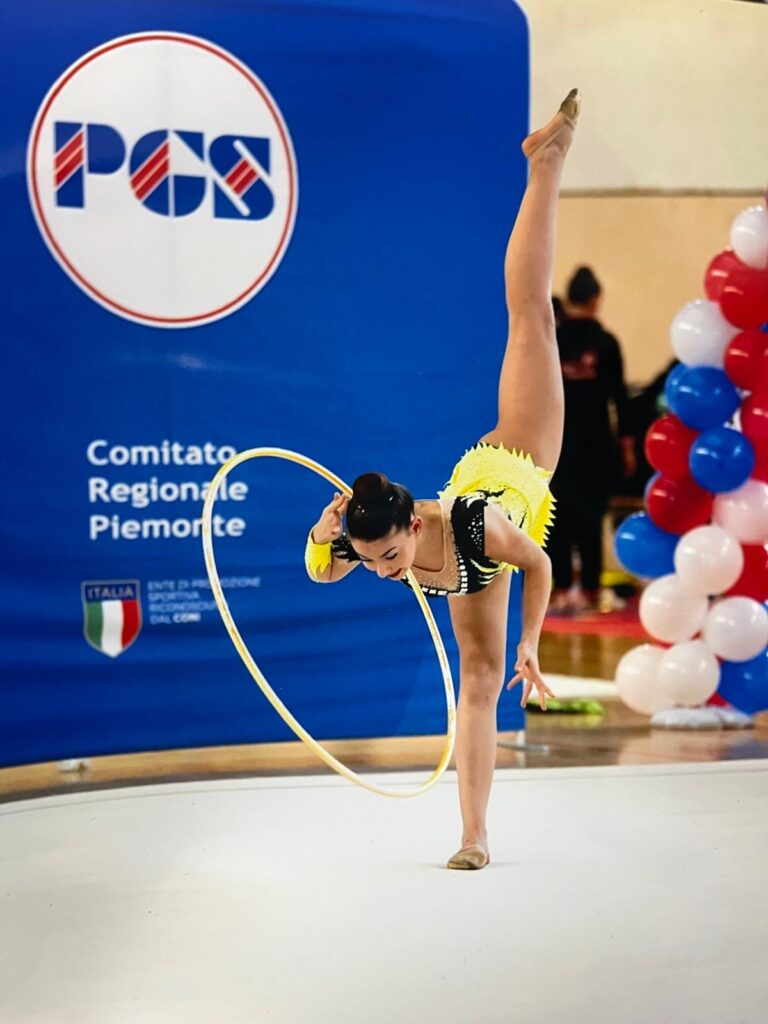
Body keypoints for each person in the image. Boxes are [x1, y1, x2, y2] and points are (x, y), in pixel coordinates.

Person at [303, 89, 580, 870]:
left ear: (415, 526)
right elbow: (323, 571)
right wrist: (323, 536)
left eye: (389, 556)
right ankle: (473, 837)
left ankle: (547, 164)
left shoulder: (470, 527)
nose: (383, 571)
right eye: (374, 561)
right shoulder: (374, 542)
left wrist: (533, 644)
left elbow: (539, 563)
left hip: (519, 459)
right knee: (478, 682)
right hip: (467, 566)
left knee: (532, 315)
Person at [547, 266, 635, 614]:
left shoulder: (552, 339)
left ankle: (560, 587)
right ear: (596, 300)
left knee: (555, 513)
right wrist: (627, 445)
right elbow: (620, 399)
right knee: (591, 514)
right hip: (596, 441)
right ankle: (590, 589)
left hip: (557, 439)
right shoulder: (606, 343)